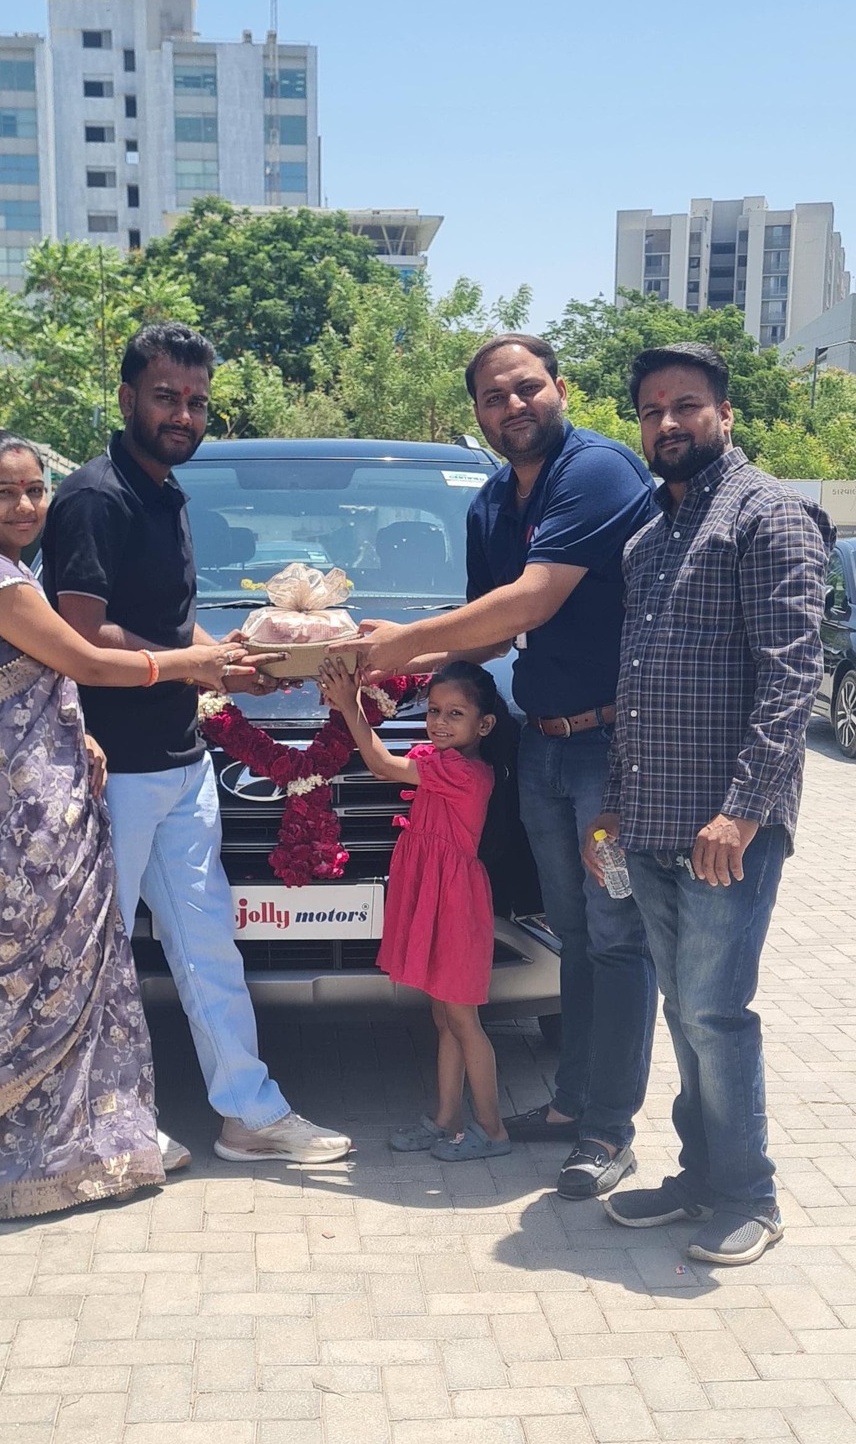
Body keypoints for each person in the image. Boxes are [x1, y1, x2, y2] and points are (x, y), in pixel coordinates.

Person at [0, 429, 268, 1219]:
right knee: (36, 979)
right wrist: (189, 665)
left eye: (35, 490)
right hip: (20, 817)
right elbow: (85, 661)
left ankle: (80, 1143)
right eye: (4, 493)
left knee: (59, 977)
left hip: (23, 800)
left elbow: (18, 683)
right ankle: (26, 1156)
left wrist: (77, 731)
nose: (26, 506)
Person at [41, 322, 351, 1165]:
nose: (183, 414)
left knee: (208, 946)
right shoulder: (96, 497)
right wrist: (198, 666)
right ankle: (91, 1128)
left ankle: (249, 1114)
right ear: (127, 398)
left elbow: (171, 627)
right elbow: (82, 634)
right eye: (166, 397)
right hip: (111, 771)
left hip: (181, 762)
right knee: (95, 953)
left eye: (197, 401)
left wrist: (239, 664)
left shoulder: (166, 491)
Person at [357, 334, 657, 1198]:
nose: (513, 406)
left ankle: (608, 1130)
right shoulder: (490, 501)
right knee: (574, 932)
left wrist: (398, 643)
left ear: (561, 387)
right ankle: (570, 1105)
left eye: (527, 388)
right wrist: (376, 664)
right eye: (494, 396)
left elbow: (531, 599)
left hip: (610, 752)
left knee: (617, 935)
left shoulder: (596, 471)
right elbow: (487, 638)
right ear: (478, 413)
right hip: (543, 746)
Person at [585, 340, 835, 1264]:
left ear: (725, 414)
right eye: (651, 410)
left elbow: (792, 676)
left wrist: (744, 811)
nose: (668, 423)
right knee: (684, 1012)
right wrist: (614, 811)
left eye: (686, 405)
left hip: (726, 829)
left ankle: (749, 1196)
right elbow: (635, 684)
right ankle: (701, 1177)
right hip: (651, 822)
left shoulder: (768, 516)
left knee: (717, 1014)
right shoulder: (648, 539)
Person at [319, 657, 512, 1160]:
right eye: (434, 711)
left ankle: (492, 1131)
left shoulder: (465, 773)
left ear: (484, 725)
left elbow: (383, 764)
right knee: (445, 1018)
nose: (439, 722)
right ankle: (447, 1119)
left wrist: (350, 706)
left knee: (464, 1020)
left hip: (456, 905)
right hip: (436, 896)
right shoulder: (441, 761)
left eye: (455, 714)